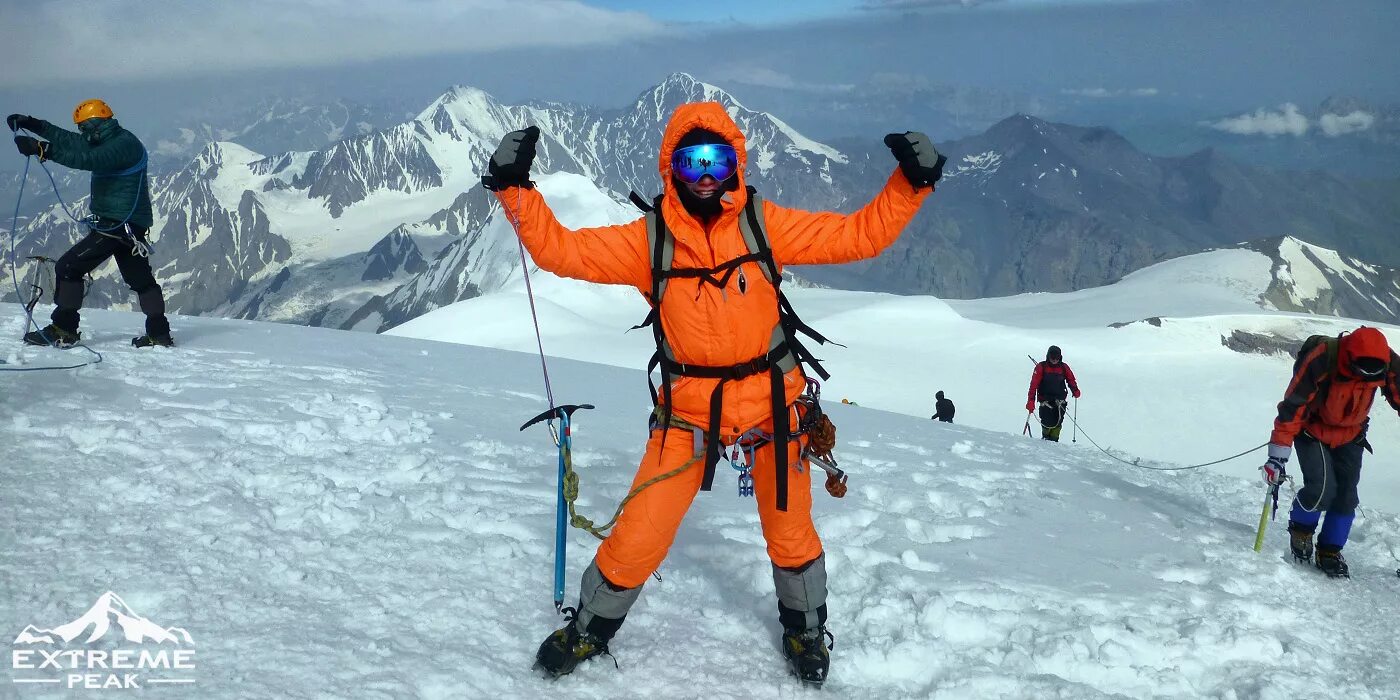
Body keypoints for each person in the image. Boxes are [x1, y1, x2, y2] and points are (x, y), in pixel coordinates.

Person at [482, 102, 944, 685]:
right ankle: (589, 630)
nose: (705, 173)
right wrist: (514, 189)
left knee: (790, 529)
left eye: (718, 159)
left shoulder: (761, 224)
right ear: (670, 167)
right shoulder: (648, 241)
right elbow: (560, 251)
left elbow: (858, 236)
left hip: (775, 405)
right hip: (688, 413)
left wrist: (911, 183)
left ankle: (804, 631)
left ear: (736, 164)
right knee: (641, 530)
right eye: (692, 159)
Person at [7, 100, 172, 348]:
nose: (81, 132)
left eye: (84, 127)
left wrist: (43, 150)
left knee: (68, 267)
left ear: (95, 124)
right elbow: (69, 141)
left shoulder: (122, 146)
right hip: (127, 224)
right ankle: (159, 334)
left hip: (118, 224)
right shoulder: (108, 138)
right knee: (140, 280)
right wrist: (33, 124)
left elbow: (86, 158)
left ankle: (64, 329)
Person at [1261, 326, 1400, 579]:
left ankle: (1330, 551)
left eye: (1373, 372)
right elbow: (1294, 406)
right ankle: (1301, 531)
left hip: (1351, 434)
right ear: (1349, 358)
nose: (1367, 375)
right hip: (1312, 431)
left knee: (1346, 497)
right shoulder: (1324, 358)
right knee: (1321, 490)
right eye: (1362, 369)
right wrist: (1278, 455)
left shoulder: (1387, 362)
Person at [1026, 345, 1080, 441]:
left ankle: (1054, 441)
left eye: (1057, 357)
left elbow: (1071, 379)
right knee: (1047, 422)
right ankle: (1046, 438)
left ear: (1060, 357)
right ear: (1048, 356)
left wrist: (1075, 390)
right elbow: (1033, 385)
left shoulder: (1064, 367)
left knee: (1058, 422)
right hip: (1045, 400)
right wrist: (1031, 401)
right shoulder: (1041, 367)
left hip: (1060, 401)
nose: (1054, 359)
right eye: (1052, 357)